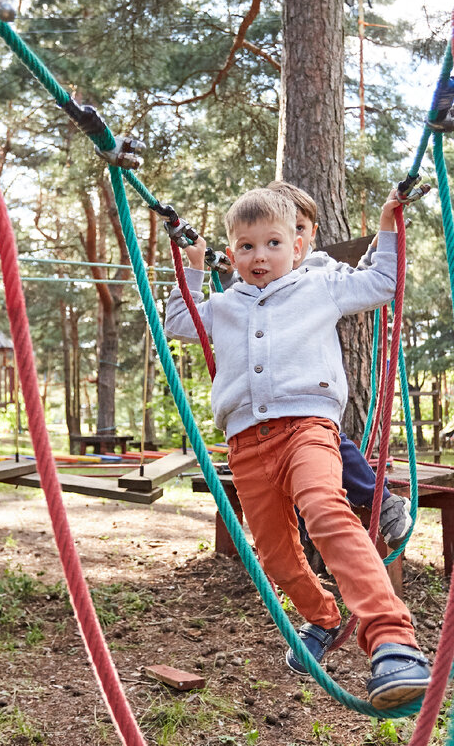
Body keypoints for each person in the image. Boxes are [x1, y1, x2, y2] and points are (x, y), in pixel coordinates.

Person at [165, 187, 431, 709]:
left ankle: (392, 639)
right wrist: (193, 267)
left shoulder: (319, 286)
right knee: (276, 557)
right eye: (245, 247)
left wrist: (387, 223)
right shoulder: (224, 305)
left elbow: (382, 281)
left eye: (272, 243)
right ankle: (324, 617)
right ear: (233, 253)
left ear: (298, 246)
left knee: (326, 510)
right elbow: (178, 322)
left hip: (308, 427)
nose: (259, 256)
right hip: (245, 445)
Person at [266, 180, 413, 551]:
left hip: (310, 395)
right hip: (269, 406)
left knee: (332, 446)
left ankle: (385, 505)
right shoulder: (259, 277)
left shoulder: (319, 272)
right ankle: (302, 548)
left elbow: (365, 282)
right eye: (280, 231)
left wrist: (385, 226)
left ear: (311, 234)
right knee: (293, 476)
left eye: (299, 228)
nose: (292, 239)